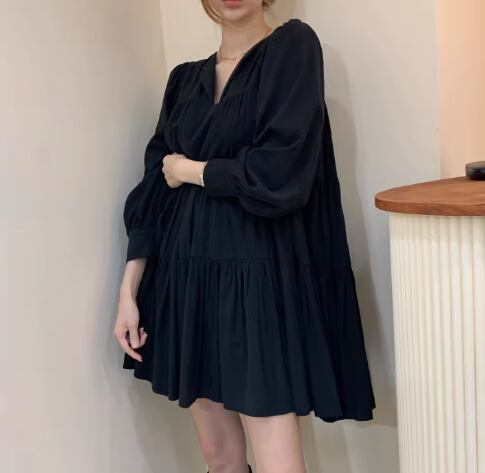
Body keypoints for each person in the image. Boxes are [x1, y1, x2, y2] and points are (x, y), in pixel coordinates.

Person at [114, 1, 376, 472]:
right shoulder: (183, 80)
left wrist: (190, 170)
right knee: (220, 461)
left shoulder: (291, 48)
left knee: (280, 462)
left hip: (257, 282)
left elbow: (282, 173)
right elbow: (153, 187)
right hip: (185, 281)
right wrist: (128, 290)